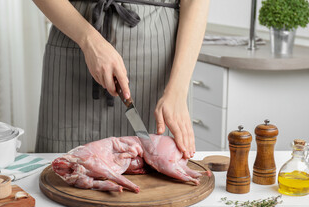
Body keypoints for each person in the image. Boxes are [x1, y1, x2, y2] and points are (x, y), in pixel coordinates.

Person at [33, 0, 209, 159]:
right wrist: (89, 40)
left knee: (160, 175)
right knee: (62, 173)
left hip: (159, 66)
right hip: (72, 40)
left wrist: (177, 90)